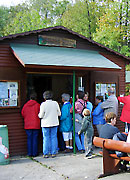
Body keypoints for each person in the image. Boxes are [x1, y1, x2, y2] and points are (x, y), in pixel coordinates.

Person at [38, 91, 61, 158]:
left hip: (45, 123)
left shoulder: (43, 104)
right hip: (54, 122)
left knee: (46, 138)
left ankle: (46, 153)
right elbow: (59, 113)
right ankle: (53, 152)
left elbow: (41, 115)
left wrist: (39, 115)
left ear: (44, 97)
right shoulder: (55, 103)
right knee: (54, 137)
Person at [21, 92, 40, 157]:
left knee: (29, 139)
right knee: (35, 138)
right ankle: (35, 153)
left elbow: (23, 114)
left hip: (28, 124)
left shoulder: (25, 105)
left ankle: (29, 153)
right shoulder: (37, 105)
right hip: (36, 124)